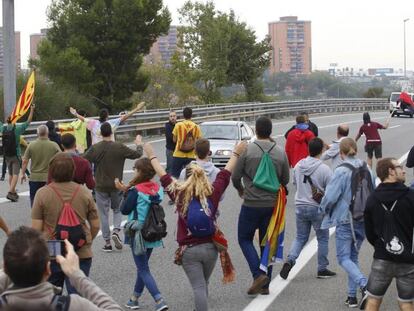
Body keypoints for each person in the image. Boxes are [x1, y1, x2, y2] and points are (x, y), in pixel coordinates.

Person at [143, 139, 247, 311]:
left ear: (187, 177)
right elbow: (225, 173)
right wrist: (236, 153)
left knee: (198, 287)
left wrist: (151, 155)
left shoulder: (180, 194)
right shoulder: (212, 193)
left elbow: (163, 176)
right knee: (203, 284)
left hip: (189, 249)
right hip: (211, 247)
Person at [232, 116, 290, 296]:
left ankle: (258, 275)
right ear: (271, 131)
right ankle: (265, 285)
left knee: (244, 238)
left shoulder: (248, 151)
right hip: (272, 205)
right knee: (268, 242)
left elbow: (235, 176)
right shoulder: (280, 152)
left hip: (251, 203)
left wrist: (241, 189)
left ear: (255, 130)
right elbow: (286, 179)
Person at [0, 226, 123, 310]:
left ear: (4, 267)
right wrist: (76, 274)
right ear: (48, 270)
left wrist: (14, 266)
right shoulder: (72, 306)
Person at [32, 153, 100, 294]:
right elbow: (95, 225)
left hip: (52, 249)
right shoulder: (84, 192)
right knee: (77, 296)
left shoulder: (42, 193)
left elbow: (36, 229)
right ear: (73, 171)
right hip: (79, 249)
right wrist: (87, 240)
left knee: (51, 295)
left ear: (51, 172)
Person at [319, 138, 370, 309]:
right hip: (363, 218)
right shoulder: (366, 167)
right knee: (352, 257)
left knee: (343, 258)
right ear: (355, 149)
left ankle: (365, 285)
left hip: (345, 219)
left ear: (340, 153)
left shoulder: (341, 171)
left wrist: (322, 209)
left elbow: (330, 197)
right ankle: (351, 297)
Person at [115, 158, 168, 311]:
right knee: (143, 267)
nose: (134, 171)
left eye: (135, 169)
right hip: (153, 231)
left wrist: (124, 192)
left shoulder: (135, 190)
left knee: (143, 269)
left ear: (140, 172)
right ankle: (134, 299)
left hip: (137, 232)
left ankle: (159, 300)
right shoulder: (157, 189)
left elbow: (124, 210)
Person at [280, 138, 336, 280]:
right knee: (322, 237)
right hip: (316, 207)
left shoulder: (299, 165)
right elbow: (331, 190)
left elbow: (294, 183)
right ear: (321, 151)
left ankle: (290, 259)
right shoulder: (324, 168)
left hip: (300, 205)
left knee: (300, 237)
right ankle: (322, 268)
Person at [83, 122, 143, 252]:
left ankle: (107, 242)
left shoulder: (95, 148)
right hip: (116, 184)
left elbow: (84, 160)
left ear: (100, 133)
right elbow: (137, 155)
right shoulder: (119, 147)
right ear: (111, 133)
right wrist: (138, 144)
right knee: (117, 209)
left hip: (100, 185)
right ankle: (116, 230)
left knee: (103, 214)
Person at [363, 158, 414, 311]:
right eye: (400, 167)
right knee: (406, 302)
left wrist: (381, 245)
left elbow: (369, 232)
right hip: (407, 259)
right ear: (391, 171)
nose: (404, 170)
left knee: (373, 300)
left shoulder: (372, 198)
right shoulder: (410, 196)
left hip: (382, 258)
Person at [20, 125, 61, 206]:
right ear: (47, 133)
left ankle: (36, 216)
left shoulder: (31, 145)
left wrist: (22, 174)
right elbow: (61, 158)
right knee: (50, 200)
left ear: (37, 133)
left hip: (34, 178)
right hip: (49, 177)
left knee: (34, 199)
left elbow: (25, 161)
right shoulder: (54, 145)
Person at [1, 104, 35, 202]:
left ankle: (13, 192)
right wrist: (31, 110)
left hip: (6, 155)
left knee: (11, 173)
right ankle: (11, 191)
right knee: (16, 173)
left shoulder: (3, 128)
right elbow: (28, 122)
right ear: (14, 120)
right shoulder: (17, 129)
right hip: (16, 154)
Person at [70, 102, 145, 145]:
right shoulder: (111, 123)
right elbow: (125, 117)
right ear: (107, 116)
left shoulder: (93, 123)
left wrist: (75, 114)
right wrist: (137, 109)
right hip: (109, 147)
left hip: (97, 149)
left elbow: (83, 119)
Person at [171, 107, 202, 178]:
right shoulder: (196, 127)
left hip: (178, 154)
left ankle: (176, 188)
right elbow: (199, 141)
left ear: (183, 115)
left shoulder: (178, 125)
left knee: (174, 176)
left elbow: (174, 140)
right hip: (191, 155)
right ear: (191, 115)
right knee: (191, 177)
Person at [165, 110, 177, 175]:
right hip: (170, 150)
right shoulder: (167, 126)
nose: (172, 118)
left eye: (174, 116)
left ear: (176, 117)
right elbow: (171, 138)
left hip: (178, 150)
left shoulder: (179, 125)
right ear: (169, 118)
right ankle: (168, 182)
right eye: (171, 116)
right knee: (170, 168)